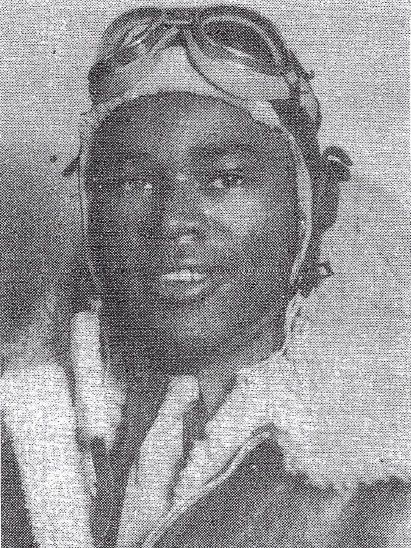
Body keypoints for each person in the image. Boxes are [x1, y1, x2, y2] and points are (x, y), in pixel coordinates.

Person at [2, 5, 410, 548]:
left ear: (313, 206)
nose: (173, 221)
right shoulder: (32, 428)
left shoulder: (371, 486)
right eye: (133, 182)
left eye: (223, 180)